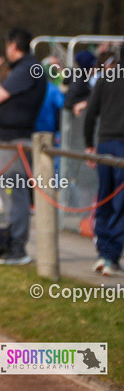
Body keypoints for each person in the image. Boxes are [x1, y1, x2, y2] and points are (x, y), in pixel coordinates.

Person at [0, 28, 46, 265]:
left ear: (12, 46)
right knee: (10, 194)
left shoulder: (26, 68)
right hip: (12, 138)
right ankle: (13, 245)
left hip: (15, 139)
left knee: (15, 195)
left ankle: (18, 249)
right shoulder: (30, 67)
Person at [83, 51, 124, 277]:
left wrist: (89, 145)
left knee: (105, 197)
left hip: (105, 144)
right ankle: (111, 255)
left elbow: (90, 114)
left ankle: (104, 252)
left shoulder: (107, 78)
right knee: (120, 203)